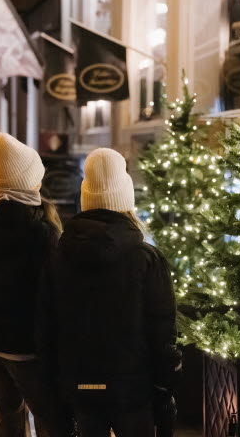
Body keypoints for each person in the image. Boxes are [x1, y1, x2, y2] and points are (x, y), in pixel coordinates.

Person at [38, 148, 182, 436]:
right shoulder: (146, 258)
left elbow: (46, 327)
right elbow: (162, 329)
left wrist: (55, 384)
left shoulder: (59, 255)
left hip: (80, 385)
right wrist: (166, 384)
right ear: (125, 197)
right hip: (132, 388)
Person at [0, 133, 73, 437]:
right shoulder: (39, 230)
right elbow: (52, 294)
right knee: (51, 419)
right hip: (27, 346)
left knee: (9, 417)